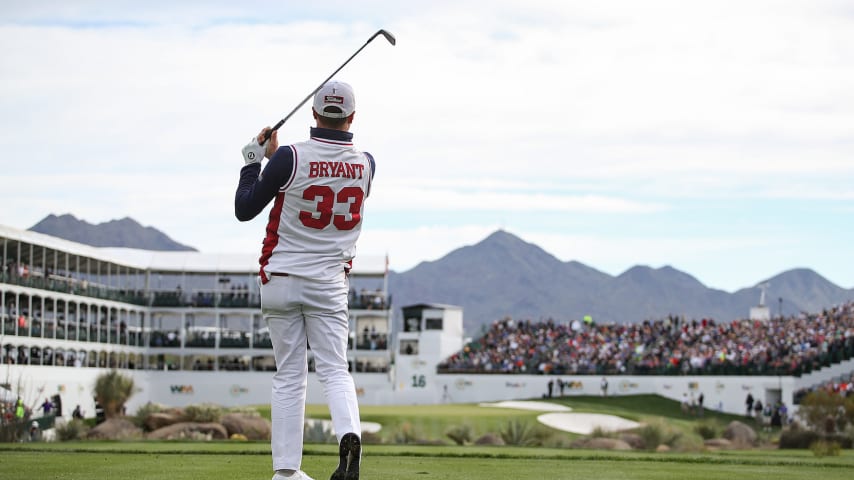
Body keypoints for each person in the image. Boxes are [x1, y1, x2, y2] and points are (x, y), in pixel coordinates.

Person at [235, 81, 373, 480]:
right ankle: (349, 434)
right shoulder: (367, 163)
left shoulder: (289, 158)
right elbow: (326, 176)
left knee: (289, 375)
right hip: (328, 283)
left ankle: (285, 471)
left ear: (313, 114)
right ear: (351, 116)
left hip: (280, 278)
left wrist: (252, 161)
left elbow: (246, 209)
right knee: (334, 369)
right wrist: (277, 160)